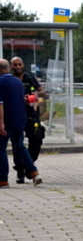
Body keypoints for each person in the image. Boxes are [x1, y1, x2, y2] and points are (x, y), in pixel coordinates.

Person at [0, 59, 41, 187]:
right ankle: (34, 172)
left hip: (7, 120)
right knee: (20, 146)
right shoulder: (18, 82)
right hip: (20, 119)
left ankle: (3, 179)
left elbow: (0, 104)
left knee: (1, 149)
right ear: (8, 67)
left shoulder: (0, 82)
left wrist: (1, 123)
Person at [10, 57, 46, 184]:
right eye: (15, 65)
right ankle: (20, 171)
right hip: (16, 115)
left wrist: (36, 95)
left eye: (20, 64)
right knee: (17, 144)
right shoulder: (10, 80)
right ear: (11, 66)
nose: (18, 67)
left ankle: (29, 166)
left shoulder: (30, 78)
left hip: (31, 115)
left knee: (37, 139)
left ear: (23, 65)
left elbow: (43, 92)